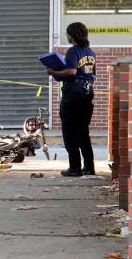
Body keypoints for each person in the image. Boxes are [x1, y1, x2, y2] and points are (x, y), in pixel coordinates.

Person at [46, 22, 96, 177]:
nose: (67, 36)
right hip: (87, 93)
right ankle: (88, 167)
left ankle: (74, 167)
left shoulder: (72, 51)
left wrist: (53, 71)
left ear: (71, 35)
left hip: (72, 94)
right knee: (83, 132)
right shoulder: (90, 52)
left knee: (69, 132)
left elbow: (71, 71)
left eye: (67, 34)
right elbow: (92, 77)